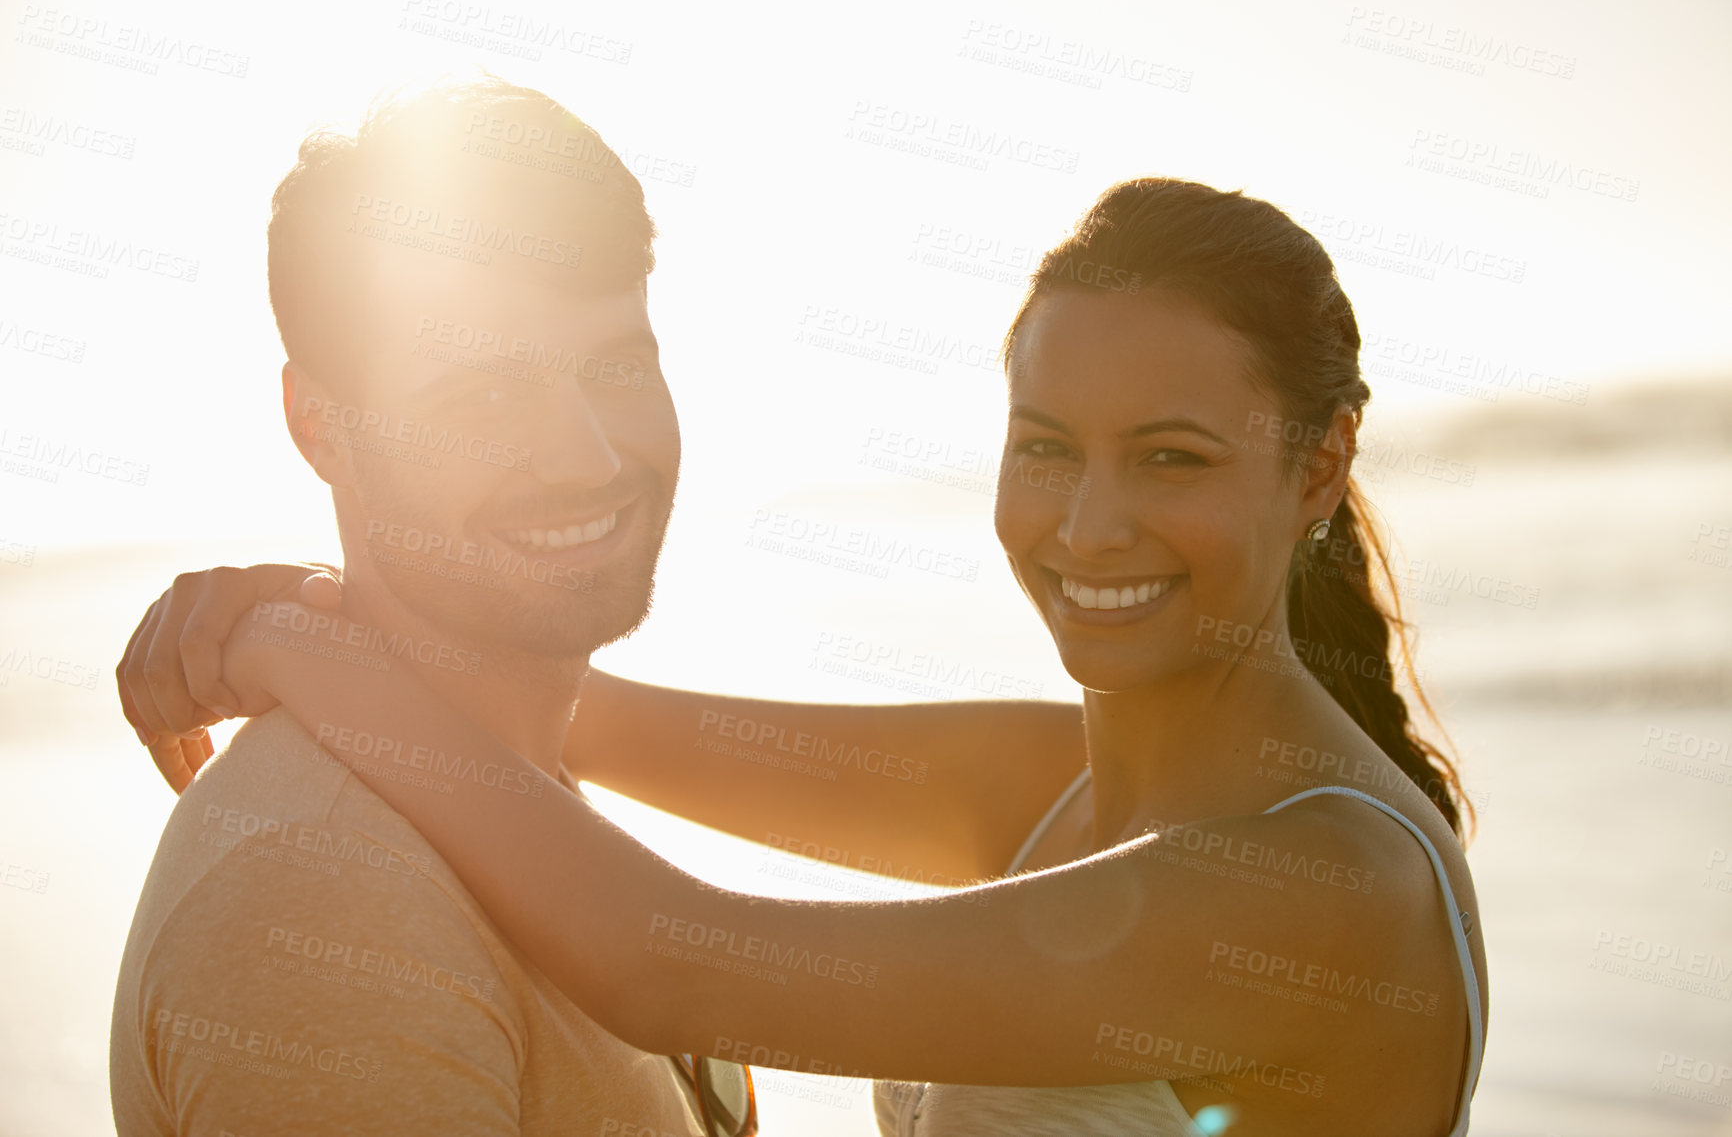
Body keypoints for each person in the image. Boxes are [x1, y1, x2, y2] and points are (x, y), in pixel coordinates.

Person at [121, 176, 1488, 1136]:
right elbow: (564, 709)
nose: (1089, 523)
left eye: (1171, 458)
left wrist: (289, 645)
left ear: (1319, 463)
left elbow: (677, 965)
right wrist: (343, 604)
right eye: (1048, 448)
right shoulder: (1052, 787)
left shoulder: (1329, 894)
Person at [109, 74, 784, 1137]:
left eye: (614, 366)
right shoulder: (323, 907)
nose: (588, 456)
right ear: (321, 425)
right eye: (487, 394)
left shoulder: (521, 785)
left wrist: (307, 631)